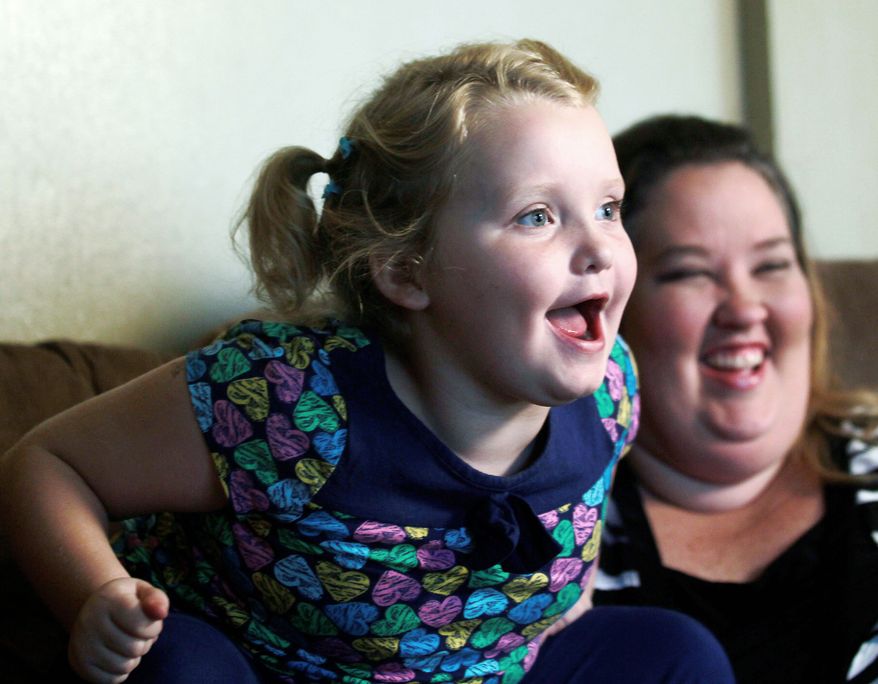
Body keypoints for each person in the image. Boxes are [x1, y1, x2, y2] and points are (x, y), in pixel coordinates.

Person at [0, 41, 735, 684]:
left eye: (608, 208)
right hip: (265, 663)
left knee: (677, 650)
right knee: (178, 665)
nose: (600, 247)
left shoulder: (609, 390)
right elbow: (45, 465)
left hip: (479, 672)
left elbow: (579, 529)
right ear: (407, 271)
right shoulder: (288, 401)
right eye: (536, 216)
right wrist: (94, 595)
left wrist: (556, 601)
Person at [593, 113, 878, 683]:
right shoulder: (545, 540)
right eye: (689, 274)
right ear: (610, 307)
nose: (745, 309)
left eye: (772, 265)